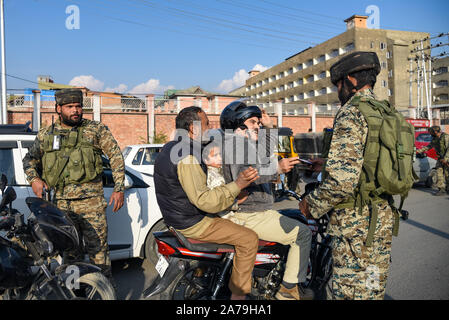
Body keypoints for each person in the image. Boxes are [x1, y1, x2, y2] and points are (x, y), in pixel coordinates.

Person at [299, 51, 396, 300]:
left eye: (339, 84)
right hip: (381, 219)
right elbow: (372, 160)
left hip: (356, 225)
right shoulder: (385, 111)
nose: (337, 91)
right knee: (373, 286)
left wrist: (311, 204)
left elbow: (341, 183)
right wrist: (328, 163)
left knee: (352, 293)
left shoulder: (351, 112)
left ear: (351, 80)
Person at [153, 106, 260, 300]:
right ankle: (238, 298)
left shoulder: (170, 147)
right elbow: (204, 201)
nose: (210, 128)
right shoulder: (188, 156)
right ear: (193, 129)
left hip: (175, 218)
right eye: (207, 124)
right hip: (192, 222)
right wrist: (238, 185)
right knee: (249, 239)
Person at [22, 88, 125, 283]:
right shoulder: (46, 135)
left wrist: (119, 188)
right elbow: (30, 160)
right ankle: (74, 292)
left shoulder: (95, 129)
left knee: (99, 251)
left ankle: (104, 291)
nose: (75, 110)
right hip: (61, 205)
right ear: (58, 108)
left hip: (92, 202)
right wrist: (34, 179)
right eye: (70, 107)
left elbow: (115, 156)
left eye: (78, 106)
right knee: (70, 254)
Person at [219, 101, 314, 300]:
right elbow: (246, 174)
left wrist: (269, 126)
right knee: (303, 234)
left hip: (257, 212)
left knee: (294, 218)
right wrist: (277, 169)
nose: (258, 125)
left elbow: (263, 152)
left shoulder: (244, 144)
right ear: (239, 126)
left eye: (258, 122)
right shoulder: (235, 145)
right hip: (250, 214)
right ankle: (288, 289)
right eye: (253, 122)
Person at [416, 125, 449, 196]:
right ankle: (441, 189)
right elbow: (429, 146)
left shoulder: (446, 137)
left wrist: (445, 159)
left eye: (432, 132)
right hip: (440, 158)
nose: (430, 134)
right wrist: (419, 151)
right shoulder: (435, 138)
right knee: (439, 173)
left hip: (447, 159)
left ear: (436, 132)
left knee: (447, 174)